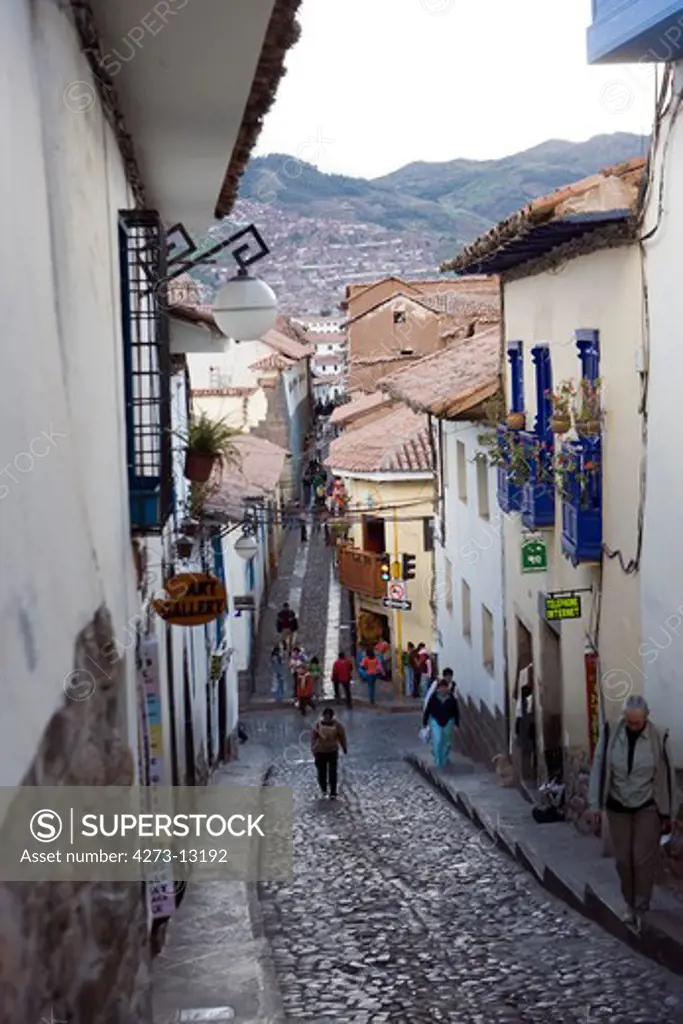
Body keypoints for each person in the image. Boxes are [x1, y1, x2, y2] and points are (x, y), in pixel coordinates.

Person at [587, 694, 677, 932]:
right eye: (629, 721)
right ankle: (629, 903)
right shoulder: (610, 733)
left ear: (646, 719)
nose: (633, 726)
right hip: (618, 807)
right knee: (624, 861)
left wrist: (668, 813)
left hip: (647, 805)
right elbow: (599, 767)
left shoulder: (659, 736)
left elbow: (667, 776)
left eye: (637, 722)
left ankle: (641, 904)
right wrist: (595, 805)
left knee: (642, 859)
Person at [311, 707, 348, 799]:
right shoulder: (318, 725)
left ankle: (333, 792)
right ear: (323, 716)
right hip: (320, 752)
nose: (327, 718)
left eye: (328, 716)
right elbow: (313, 738)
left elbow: (342, 737)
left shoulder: (337, 725)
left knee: (332, 772)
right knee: (322, 772)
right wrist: (313, 749)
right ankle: (324, 790)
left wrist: (344, 748)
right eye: (326, 716)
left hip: (332, 751)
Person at [423, 677, 460, 768]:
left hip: (449, 721)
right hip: (436, 721)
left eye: (445, 687)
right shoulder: (434, 697)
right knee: (438, 740)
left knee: (446, 741)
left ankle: (444, 758)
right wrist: (425, 721)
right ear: (438, 688)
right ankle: (438, 761)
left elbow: (456, 711)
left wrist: (456, 724)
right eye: (441, 687)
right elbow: (428, 709)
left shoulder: (451, 698)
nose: (443, 689)